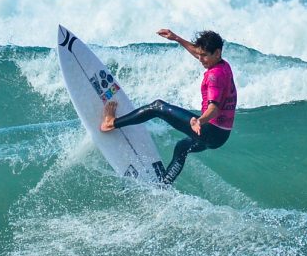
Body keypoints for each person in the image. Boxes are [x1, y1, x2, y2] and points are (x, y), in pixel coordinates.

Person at [100, 29, 237, 184]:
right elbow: (199, 52)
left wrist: (200, 121)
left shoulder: (214, 76)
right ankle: (163, 186)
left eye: (204, 55)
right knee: (182, 147)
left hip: (208, 129)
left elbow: (214, 108)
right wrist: (177, 38)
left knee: (158, 107)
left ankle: (111, 123)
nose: (200, 58)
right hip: (220, 137)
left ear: (217, 53)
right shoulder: (223, 66)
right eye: (199, 54)